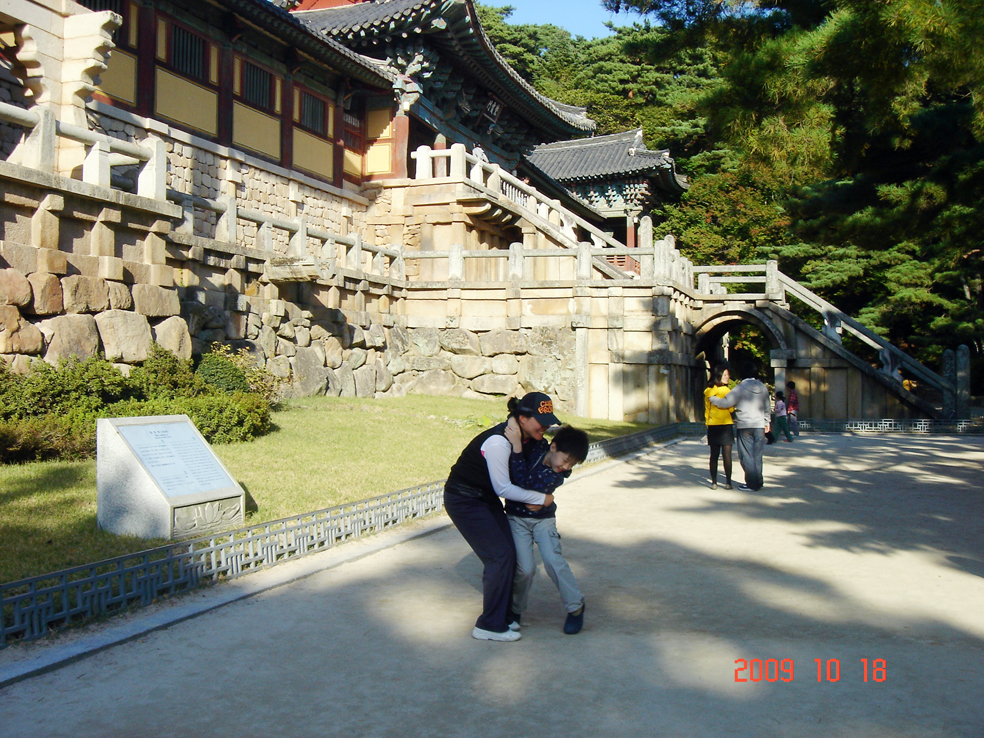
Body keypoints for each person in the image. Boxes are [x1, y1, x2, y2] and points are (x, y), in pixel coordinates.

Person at [444, 392, 560, 642]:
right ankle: (489, 625)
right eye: (541, 421)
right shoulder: (498, 442)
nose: (546, 426)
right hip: (464, 499)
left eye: (548, 421)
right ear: (522, 418)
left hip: (485, 498)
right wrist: (542, 499)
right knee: (499, 555)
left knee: (511, 553)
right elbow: (503, 488)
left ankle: (504, 616)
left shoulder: (527, 438)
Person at [502, 423, 590, 635]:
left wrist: (516, 448)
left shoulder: (555, 476)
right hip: (517, 519)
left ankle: (576, 607)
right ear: (553, 447)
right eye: (566, 460)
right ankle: (515, 610)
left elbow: (523, 481)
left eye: (572, 464)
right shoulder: (537, 447)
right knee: (525, 569)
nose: (566, 467)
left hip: (543, 521)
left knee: (553, 561)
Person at [708, 361, 772, 491]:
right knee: (757, 455)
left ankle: (751, 484)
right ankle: (758, 481)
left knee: (746, 455)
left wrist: (712, 399)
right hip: (759, 425)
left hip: (745, 425)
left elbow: (726, 403)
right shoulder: (762, 387)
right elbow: (767, 406)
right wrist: (767, 422)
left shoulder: (740, 388)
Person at [703, 363, 735, 490]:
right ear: (719, 375)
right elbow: (731, 409)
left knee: (714, 455)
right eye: (725, 375)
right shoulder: (726, 391)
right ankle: (728, 483)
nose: (728, 377)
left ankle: (714, 482)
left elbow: (707, 409)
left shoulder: (708, 391)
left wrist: (707, 423)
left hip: (713, 425)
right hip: (726, 425)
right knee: (727, 455)